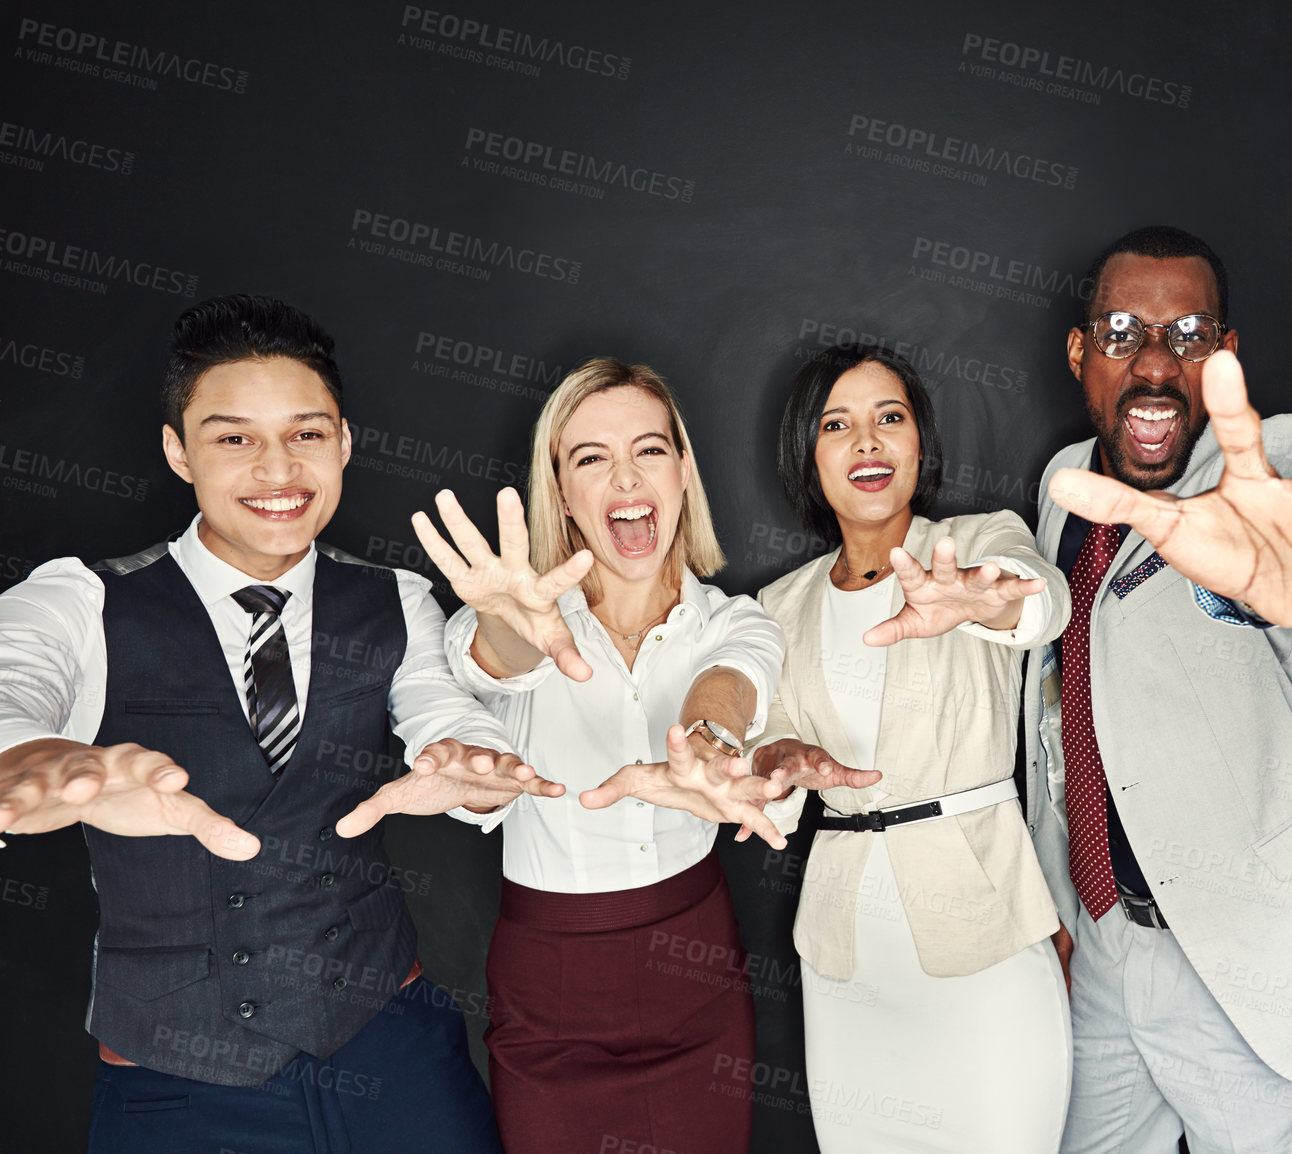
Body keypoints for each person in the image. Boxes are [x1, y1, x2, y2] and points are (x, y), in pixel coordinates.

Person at [0, 294, 560, 1154]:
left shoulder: (395, 599)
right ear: (177, 452)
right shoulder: (81, 598)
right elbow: (11, 684)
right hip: (172, 1080)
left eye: (306, 433)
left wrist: (474, 759)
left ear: (343, 442)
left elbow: (443, 712)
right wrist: (29, 755)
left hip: (389, 1051)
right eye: (234, 438)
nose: (277, 469)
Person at [1023, 226, 1292, 1154]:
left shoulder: (1271, 470)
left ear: (1224, 359)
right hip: (1099, 940)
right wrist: (1058, 906)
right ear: (1078, 353)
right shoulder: (1061, 487)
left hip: (1238, 951)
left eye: (1188, 337)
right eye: (1122, 332)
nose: (1153, 365)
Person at [412, 358, 827, 1154]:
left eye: (650, 450)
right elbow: (494, 659)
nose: (627, 477)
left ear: (682, 474)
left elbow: (731, 683)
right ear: (562, 492)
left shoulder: (735, 619)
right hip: (549, 984)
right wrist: (510, 621)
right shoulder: (521, 622)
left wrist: (706, 743)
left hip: (695, 972)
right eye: (591, 458)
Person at [749, 343, 1073, 1152]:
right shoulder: (778, 605)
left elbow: (1042, 603)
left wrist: (984, 602)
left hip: (982, 932)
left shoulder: (974, 541)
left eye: (888, 418)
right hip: (846, 959)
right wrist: (779, 761)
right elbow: (768, 760)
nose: (867, 443)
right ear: (808, 454)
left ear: (918, 440)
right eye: (838, 425)